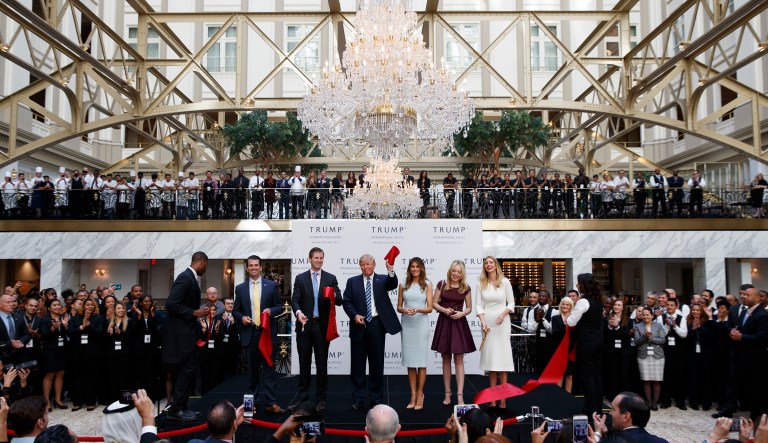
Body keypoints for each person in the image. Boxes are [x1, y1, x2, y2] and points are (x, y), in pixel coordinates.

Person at [341, 254, 400, 410]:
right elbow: (346, 301)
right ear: (360, 266)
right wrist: (354, 315)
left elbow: (393, 284)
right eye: (362, 264)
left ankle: (376, 399)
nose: (365, 267)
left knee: (376, 364)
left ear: (374, 265)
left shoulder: (382, 280)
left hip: (376, 326)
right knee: (357, 366)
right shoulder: (352, 282)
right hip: (358, 326)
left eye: (368, 264)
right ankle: (358, 399)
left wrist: (391, 270)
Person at [290, 247, 342, 411]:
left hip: (322, 327)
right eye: (316, 258)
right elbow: (295, 300)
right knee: (304, 364)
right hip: (304, 326)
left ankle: (321, 400)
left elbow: (340, 300)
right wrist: (298, 313)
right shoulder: (300, 278)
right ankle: (303, 399)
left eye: (321, 258)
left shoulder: (330, 278)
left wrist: (332, 295)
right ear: (309, 259)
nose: (319, 260)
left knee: (322, 365)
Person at [162, 251, 210, 421]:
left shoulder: (190, 277)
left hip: (186, 333)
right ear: (202, 262)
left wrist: (196, 313)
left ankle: (180, 406)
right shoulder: (185, 277)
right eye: (206, 264)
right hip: (180, 335)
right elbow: (170, 303)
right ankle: (177, 409)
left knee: (188, 369)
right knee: (187, 369)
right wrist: (194, 312)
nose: (206, 268)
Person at [233, 255, 283, 414]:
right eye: (251, 265)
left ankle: (271, 402)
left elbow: (279, 307)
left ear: (260, 267)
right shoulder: (240, 288)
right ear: (247, 268)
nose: (253, 268)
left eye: (256, 265)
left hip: (267, 333)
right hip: (250, 334)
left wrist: (270, 311)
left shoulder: (271, 285)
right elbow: (235, 311)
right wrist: (242, 318)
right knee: (252, 373)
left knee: (269, 371)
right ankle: (251, 405)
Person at [431, 260, 476, 406]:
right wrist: (444, 310)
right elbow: (433, 303)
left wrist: (461, 314)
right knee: (445, 359)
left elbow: (469, 308)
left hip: (458, 323)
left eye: (459, 271)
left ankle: (460, 396)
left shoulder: (466, 288)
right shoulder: (442, 284)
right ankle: (447, 394)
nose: (456, 273)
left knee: (459, 360)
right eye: (454, 271)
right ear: (450, 270)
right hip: (444, 322)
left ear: (462, 273)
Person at [475, 256, 514, 408]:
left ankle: (503, 398)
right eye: (486, 263)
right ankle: (492, 398)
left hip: (502, 324)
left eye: (491, 262)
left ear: (496, 265)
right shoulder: (480, 282)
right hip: (488, 325)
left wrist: (503, 314)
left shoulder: (505, 282)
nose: (488, 265)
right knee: (491, 363)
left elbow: (511, 303)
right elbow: (478, 305)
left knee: (502, 363)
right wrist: (483, 322)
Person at [396, 257, 433, 410]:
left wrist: (417, 309)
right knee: (410, 362)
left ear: (422, 268)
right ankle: (412, 394)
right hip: (407, 324)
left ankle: (420, 394)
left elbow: (430, 307)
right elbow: (399, 306)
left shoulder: (427, 284)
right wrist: (404, 310)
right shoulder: (403, 284)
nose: (415, 269)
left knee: (421, 362)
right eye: (412, 266)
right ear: (409, 268)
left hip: (421, 325)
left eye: (417, 266)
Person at [566, 273, 605, 416]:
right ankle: (598, 407)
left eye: (578, 283)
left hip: (586, 343)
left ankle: (590, 408)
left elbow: (571, 322)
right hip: (598, 341)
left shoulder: (583, 302)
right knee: (596, 375)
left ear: (583, 285)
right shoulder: (598, 301)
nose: (576, 285)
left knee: (586, 375)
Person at [67, 298, 105, 411]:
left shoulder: (99, 318)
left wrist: (89, 325)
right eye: (87, 305)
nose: (90, 307)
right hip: (77, 353)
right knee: (78, 377)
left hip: (93, 353)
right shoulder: (75, 319)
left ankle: (90, 401)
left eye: (92, 305)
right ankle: (78, 401)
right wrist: (81, 327)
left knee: (92, 378)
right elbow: (70, 333)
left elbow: (100, 334)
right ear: (83, 307)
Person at [592, 391, 669, 443]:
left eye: (613, 409)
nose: (610, 413)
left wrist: (598, 433)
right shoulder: (662, 441)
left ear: (626, 416)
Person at [633, 307, 666, 410]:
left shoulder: (658, 325)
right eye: (644, 315)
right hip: (643, 355)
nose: (645, 316)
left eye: (648, 314)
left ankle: (655, 403)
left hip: (657, 355)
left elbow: (662, 340)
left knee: (657, 380)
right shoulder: (637, 326)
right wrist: (645, 337)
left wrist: (650, 337)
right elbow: (636, 342)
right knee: (646, 380)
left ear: (652, 316)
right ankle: (648, 401)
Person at [38, 300, 68, 411]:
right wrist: (53, 328)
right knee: (50, 374)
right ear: (49, 308)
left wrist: (66, 326)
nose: (57, 307)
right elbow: (43, 336)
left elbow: (68, 334)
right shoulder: (44, 319)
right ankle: (46, 401)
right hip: (50, 350)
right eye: (54, 305)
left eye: (58, 305)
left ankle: (58, 399)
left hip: (62, 350)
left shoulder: (63, 317)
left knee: (60, 373)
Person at [603, 298, 634, 400]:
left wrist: (617, 327)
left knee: (624, 373)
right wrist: (610, 327)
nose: (616, 307)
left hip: (624, 351)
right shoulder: (607, 318)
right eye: (615, 305)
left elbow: (627, 335)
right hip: (611, 351)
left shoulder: (629, 320)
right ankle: (613, 396)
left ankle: (624, 397)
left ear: (623, 307)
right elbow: (604, 335)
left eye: (619, 305)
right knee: (612, 373)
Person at [551, 297, 574, 393]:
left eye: (567, 304)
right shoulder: (555, 318)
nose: (565, 306)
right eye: (563, 304)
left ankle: (568, 396)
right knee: (559, 374)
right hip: (559, 349)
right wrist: (565, 325)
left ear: (571, 307)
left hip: (571, 349)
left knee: (569, 374)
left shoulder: (574, 319)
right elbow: (555, 332)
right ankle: (559, 396)